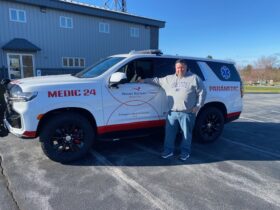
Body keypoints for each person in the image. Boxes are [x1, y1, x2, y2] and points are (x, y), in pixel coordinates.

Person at [139, 59, 206, 160]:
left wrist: (198, 105)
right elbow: (156, 80)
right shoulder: (168, 79)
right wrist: (143, 80)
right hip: (172, 113)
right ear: (175, 68)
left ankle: (185, 153)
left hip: (187, 113)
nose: (180, 69)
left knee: (186, 135)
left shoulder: (194, 78)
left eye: (182, 67)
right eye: (178, 67)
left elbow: (202, 92)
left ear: (186, 67)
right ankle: (168, 151)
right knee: (169, 135)